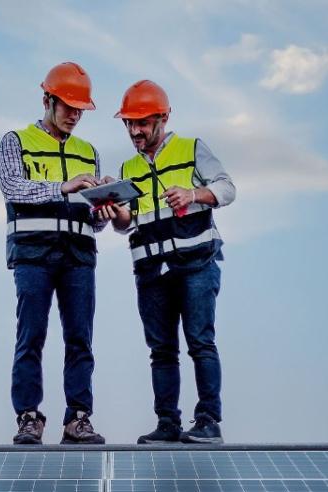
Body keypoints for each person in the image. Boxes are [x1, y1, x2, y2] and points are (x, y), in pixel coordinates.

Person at [109, 80, 236, 444]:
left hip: (196, 265)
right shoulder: (128, 167)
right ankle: (168, 423)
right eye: (129, 123)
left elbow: (227, 188)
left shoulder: (191, 149)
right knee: (161, 351)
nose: (135, 131)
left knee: (200, 342)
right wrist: (116, 212)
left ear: (162, 118)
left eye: (142, 123)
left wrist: (194, 193)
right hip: (151, 273)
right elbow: (126, 224)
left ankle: (209, 421)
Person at [0, 62, 108, 445]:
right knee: (32, 336)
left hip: (78, 256)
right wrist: (62, 186)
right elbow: (12, 187)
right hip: (33, 256)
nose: (75, 116)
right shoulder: (16, 141)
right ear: (47, 99)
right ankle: (28, 416)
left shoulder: (88, 152)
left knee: (80, 339)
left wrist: (105, 206)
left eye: (80, 110)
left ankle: (78, 418)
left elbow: (95, 221)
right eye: (68, 107)